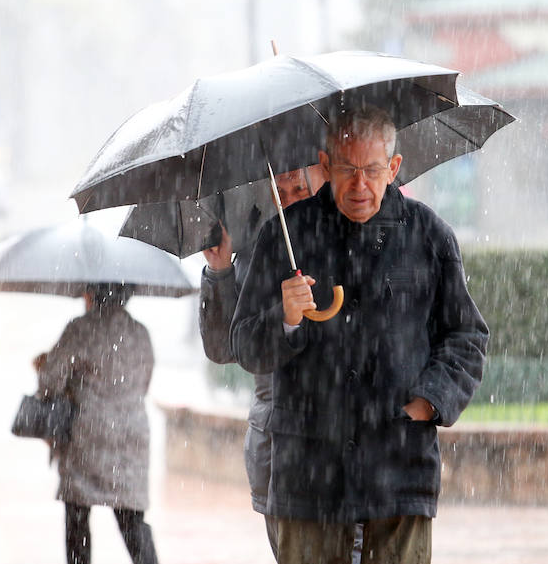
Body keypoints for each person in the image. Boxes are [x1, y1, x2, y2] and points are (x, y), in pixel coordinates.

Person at [231, 105, 489, 564]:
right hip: (307, 472)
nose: (360, 185)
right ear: (325, 166)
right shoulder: (283, 237)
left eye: (372, 170)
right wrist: (284, 318)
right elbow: (245, 344)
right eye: (347, 170)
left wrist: (427, 402)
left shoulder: (430, 236)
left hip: (399, 467)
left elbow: (466, 336)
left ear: (393, 168)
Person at [200, 165, 324, 560]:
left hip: (344, 445)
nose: (288, 201)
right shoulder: (264, 248)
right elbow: (224, 347)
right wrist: (220, 272)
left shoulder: (349, 243)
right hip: (278, 444)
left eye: (299, 190)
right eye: (280, 192)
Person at [36, 283, 159, 564]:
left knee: (77, 516)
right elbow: (145, 382)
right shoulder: (140, 332)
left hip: (88, 434)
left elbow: (49, 383)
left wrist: (45, 366)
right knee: (131, 519)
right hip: (132, 434)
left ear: (91, 293)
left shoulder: (80, 328)